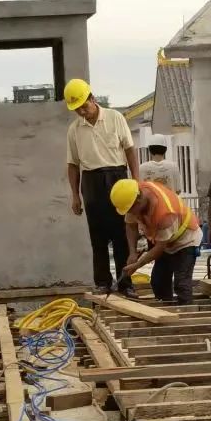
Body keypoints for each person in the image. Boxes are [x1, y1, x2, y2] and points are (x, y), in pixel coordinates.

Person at [64, 78, 139, 295]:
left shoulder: (115, 118)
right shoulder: (74, 129)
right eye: (77, 110)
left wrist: (135, 180)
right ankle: (103, 282)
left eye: (84, 106)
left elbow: (130, 151)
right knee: (97, 236)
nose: (82, 112)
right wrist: (75, 195)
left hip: (117, 177)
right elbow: (72, 164)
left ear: (92, 99)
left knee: (121, 233)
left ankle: (125, 282)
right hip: (91, 181)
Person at [113, 178, 202, 305]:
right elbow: (130, 225)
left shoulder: (164, 213)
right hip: (165, 241)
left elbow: (159, 248)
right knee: (158, 281)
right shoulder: (134, 198)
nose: (130, 213)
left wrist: (137, 265)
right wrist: (132, 253)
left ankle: (186, 313)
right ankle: (166, 311)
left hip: (186, 240)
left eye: (131, 209)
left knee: (181, 283)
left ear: (138, 200)